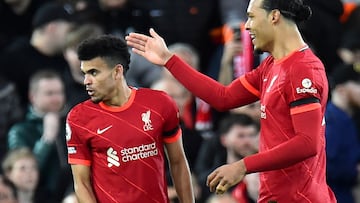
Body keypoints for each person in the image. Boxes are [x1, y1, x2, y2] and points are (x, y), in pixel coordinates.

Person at [125, 0, 337, 201]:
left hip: (301, 199)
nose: (247, 26)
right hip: (277, 196)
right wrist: (169, 60)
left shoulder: (303, 69)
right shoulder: (271, 66)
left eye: (252, 17)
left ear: (274, 16)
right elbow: (223, 97)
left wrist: (243, 166)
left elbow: (308, 143)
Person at [65, 34, 194, 203]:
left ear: (117, 71)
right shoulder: (79, 118)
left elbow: (178, 162)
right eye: (84, 73)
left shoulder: (160, 104)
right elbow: (81, 183)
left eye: (93, 73)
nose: (86, 81)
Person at [7, 70, 72, 202]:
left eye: (59, 92)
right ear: (33, 97)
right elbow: (24, 175)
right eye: (49, 93)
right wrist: (46, 141)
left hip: (73, 192)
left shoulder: (73, 122)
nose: (56, 98)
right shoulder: (20, 131)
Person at [325, 64, 360, 203]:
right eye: (358, 84)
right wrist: (355, 173)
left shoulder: (346, 118)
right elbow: (327, 168)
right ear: (341, 90)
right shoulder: (331, 121)